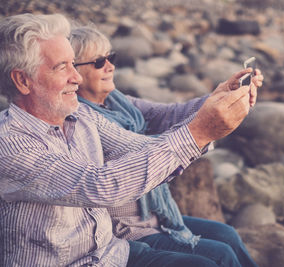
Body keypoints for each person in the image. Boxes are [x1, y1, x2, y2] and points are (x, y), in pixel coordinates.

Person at [0, 13, 260, 267]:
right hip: (90, 252)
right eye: (62, 67)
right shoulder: (10, 144)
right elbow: (100, 185)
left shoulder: (81, 115)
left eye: (73, 63)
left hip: (111, 254)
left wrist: (216, 108)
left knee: (216, 251)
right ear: (23, 80)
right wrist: (199, 131)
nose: (76, 77)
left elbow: (142, 146)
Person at [69, 25, 263, 267]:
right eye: (99, 62)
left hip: (154, 214)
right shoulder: (81, 117)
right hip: (128, 228)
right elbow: (142, 149)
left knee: (228, 235)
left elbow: (169, 114)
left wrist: (221, 96)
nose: (111, 66)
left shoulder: (119, 102)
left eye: (112, 57)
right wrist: (204, 129)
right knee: (219, 254)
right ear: (73, 72)